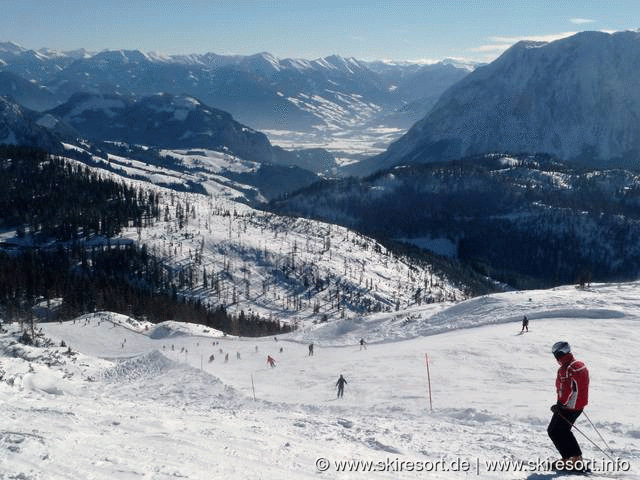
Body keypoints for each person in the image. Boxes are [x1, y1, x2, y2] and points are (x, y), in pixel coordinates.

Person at [547, 341, 589, 471]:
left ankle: (568, 460)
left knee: (553, 431)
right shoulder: (579, 365)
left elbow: (568, 390)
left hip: (567, 407)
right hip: (578, 406)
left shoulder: (565, 369)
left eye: (556, 354)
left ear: (559, 354)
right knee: (564, 431)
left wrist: (560, 405)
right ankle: (576, 458)